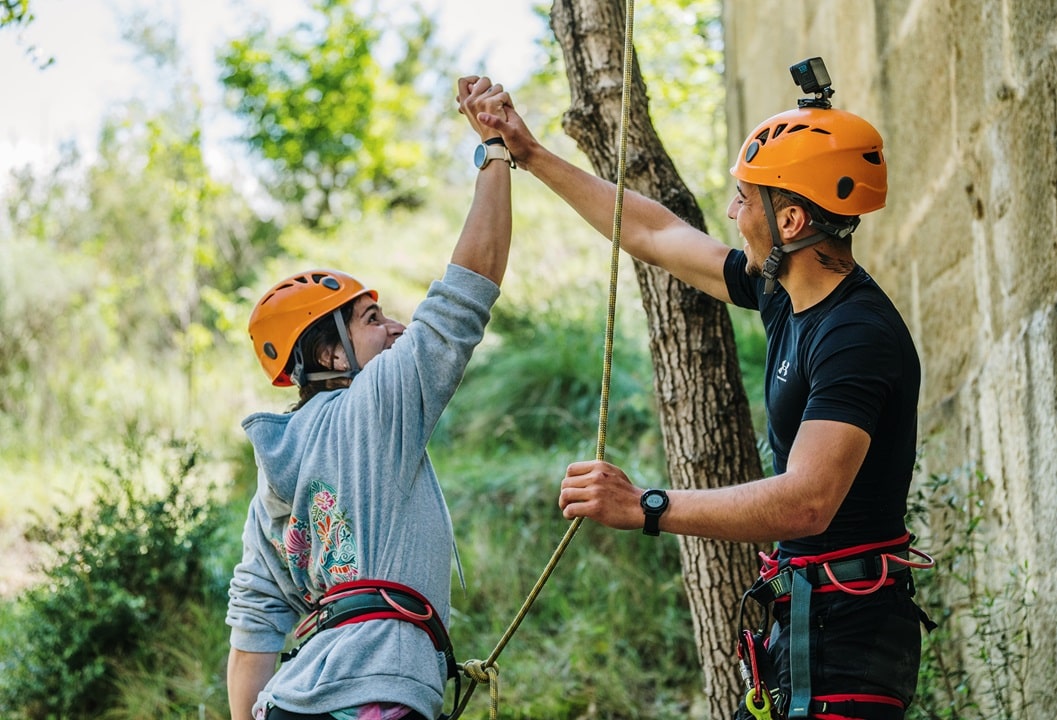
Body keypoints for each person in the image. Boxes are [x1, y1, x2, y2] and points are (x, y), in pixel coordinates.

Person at [475, 62, 931, 720]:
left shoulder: (856, 335)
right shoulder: (784, 292)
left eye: (746, 198)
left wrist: (647, 506)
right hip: (807, 623)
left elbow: (807, 503)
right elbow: (655, 234)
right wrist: (532, 154)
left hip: (850, 644)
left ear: (794, 220)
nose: (731, 211)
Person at [226, 76, 515, 720]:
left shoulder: (272, 480)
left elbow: (254, 620)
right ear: (330, 354)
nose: (398, 329)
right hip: (376, 695)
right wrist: (496, 152)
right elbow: (466, 293)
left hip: (293, 701)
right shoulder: (377, 403)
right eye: (372, 318)